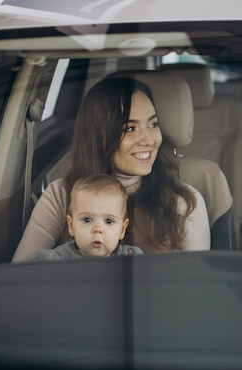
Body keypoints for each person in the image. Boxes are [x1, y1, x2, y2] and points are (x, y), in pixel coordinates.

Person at [12, 77, 210, 262]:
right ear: (98, 137)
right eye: (130, 128)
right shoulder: (61, 195)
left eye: (153, 124)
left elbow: (197, 288)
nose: (149, 140)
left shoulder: (184, 203)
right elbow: (20, 280)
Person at [31, 174, 143, 261]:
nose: (98, 229)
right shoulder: (53, 262)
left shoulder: (132, 260)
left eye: (109, 221)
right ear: (71, 226)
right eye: (87, 220)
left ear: (122, 230)